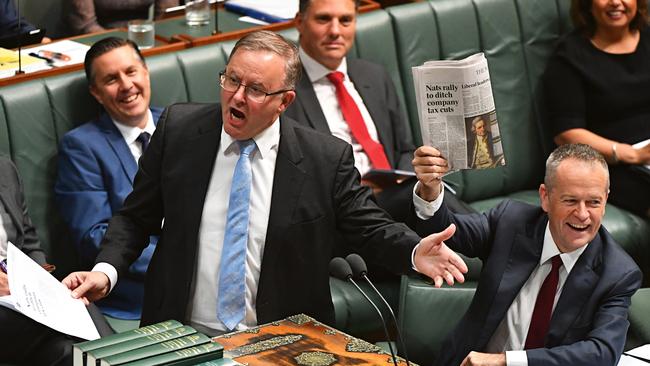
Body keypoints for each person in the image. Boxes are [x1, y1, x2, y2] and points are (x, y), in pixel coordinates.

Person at [61, 30, 468, 337]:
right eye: (231, 80)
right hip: (181, 333)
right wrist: (106, 270)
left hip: (280, 338)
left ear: (284, 101)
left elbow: (368, 227)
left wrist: (414, 251)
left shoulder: (324, 158)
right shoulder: (180, 130)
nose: (236, 97)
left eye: (255, 89)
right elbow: (135, 218)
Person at [411, 143, 641, 366]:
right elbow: (449, 232)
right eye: (570, 200)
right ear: (545, 197)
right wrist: (430, 190)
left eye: (593, 202)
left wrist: (506, 362)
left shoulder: (618, 273)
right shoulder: (510, 222)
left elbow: (602, 353)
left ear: (605, 200)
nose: (582, 214)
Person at [285, 0, 473, 221]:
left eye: (345, 20)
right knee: (433, 203)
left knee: (430, 194)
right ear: (300, 22)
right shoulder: (284, 90)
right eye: (323, 19)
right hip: (343, 210)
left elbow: (404, 150)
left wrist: (405, 178)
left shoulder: (374, 75)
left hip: (396, 197)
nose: (335, 31)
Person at [55, 37, 160, 320]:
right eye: (111, 79)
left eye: (131, 71)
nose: (126, 85)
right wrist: (182, 259)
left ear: (146, 72)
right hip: (138, 297)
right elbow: (94, 236)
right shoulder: (82, 147)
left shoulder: (182, 127)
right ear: (96, 93)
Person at [0, 156, 112, 366]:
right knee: (76, 343)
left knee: (77, 311)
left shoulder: (4, 168)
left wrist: (40, 284)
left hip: (20, 293)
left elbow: (29, 241)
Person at [543, 0, 650, 217]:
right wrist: (630, 154)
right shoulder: (569, 57)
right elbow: (567, 134)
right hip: (610, 165)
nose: (615, 2)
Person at [68, 0, 179, 35]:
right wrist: (123, 46)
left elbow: (166, 15)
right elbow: (86, 25)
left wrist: (154, 37)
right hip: (100, 39)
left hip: (143, 35)